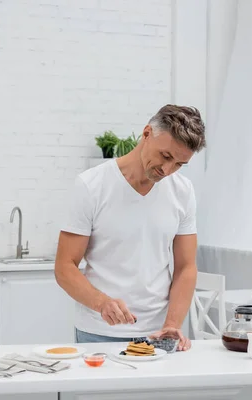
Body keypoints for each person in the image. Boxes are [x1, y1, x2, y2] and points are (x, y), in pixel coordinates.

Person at [54, 104, 206, 350]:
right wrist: (102, 303)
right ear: (146, 133)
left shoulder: (183, 191)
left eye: (179, 164)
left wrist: (173, 323)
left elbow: (186, 267)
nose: (168, 170)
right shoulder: (91, 186)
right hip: (99, 333)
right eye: (166, 156)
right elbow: (64, 267)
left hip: (159, 334)